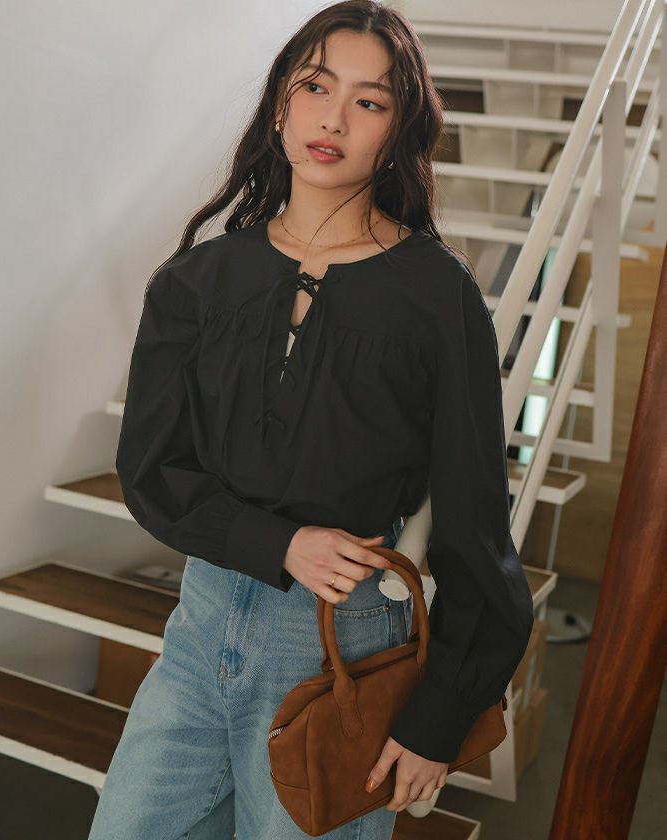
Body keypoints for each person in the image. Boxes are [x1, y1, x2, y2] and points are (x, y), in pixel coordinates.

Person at [88, 2, 535, 838]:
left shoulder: (437, 296)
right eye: (315, 87)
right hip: (201, 627)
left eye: (369, 101)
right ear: (280, 106)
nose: (333, 118)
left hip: (344, 644)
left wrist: (440, 715)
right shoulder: (197, 280)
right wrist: (278, 543)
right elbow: (152, 470)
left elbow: (475, 519)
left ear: (397, 132)